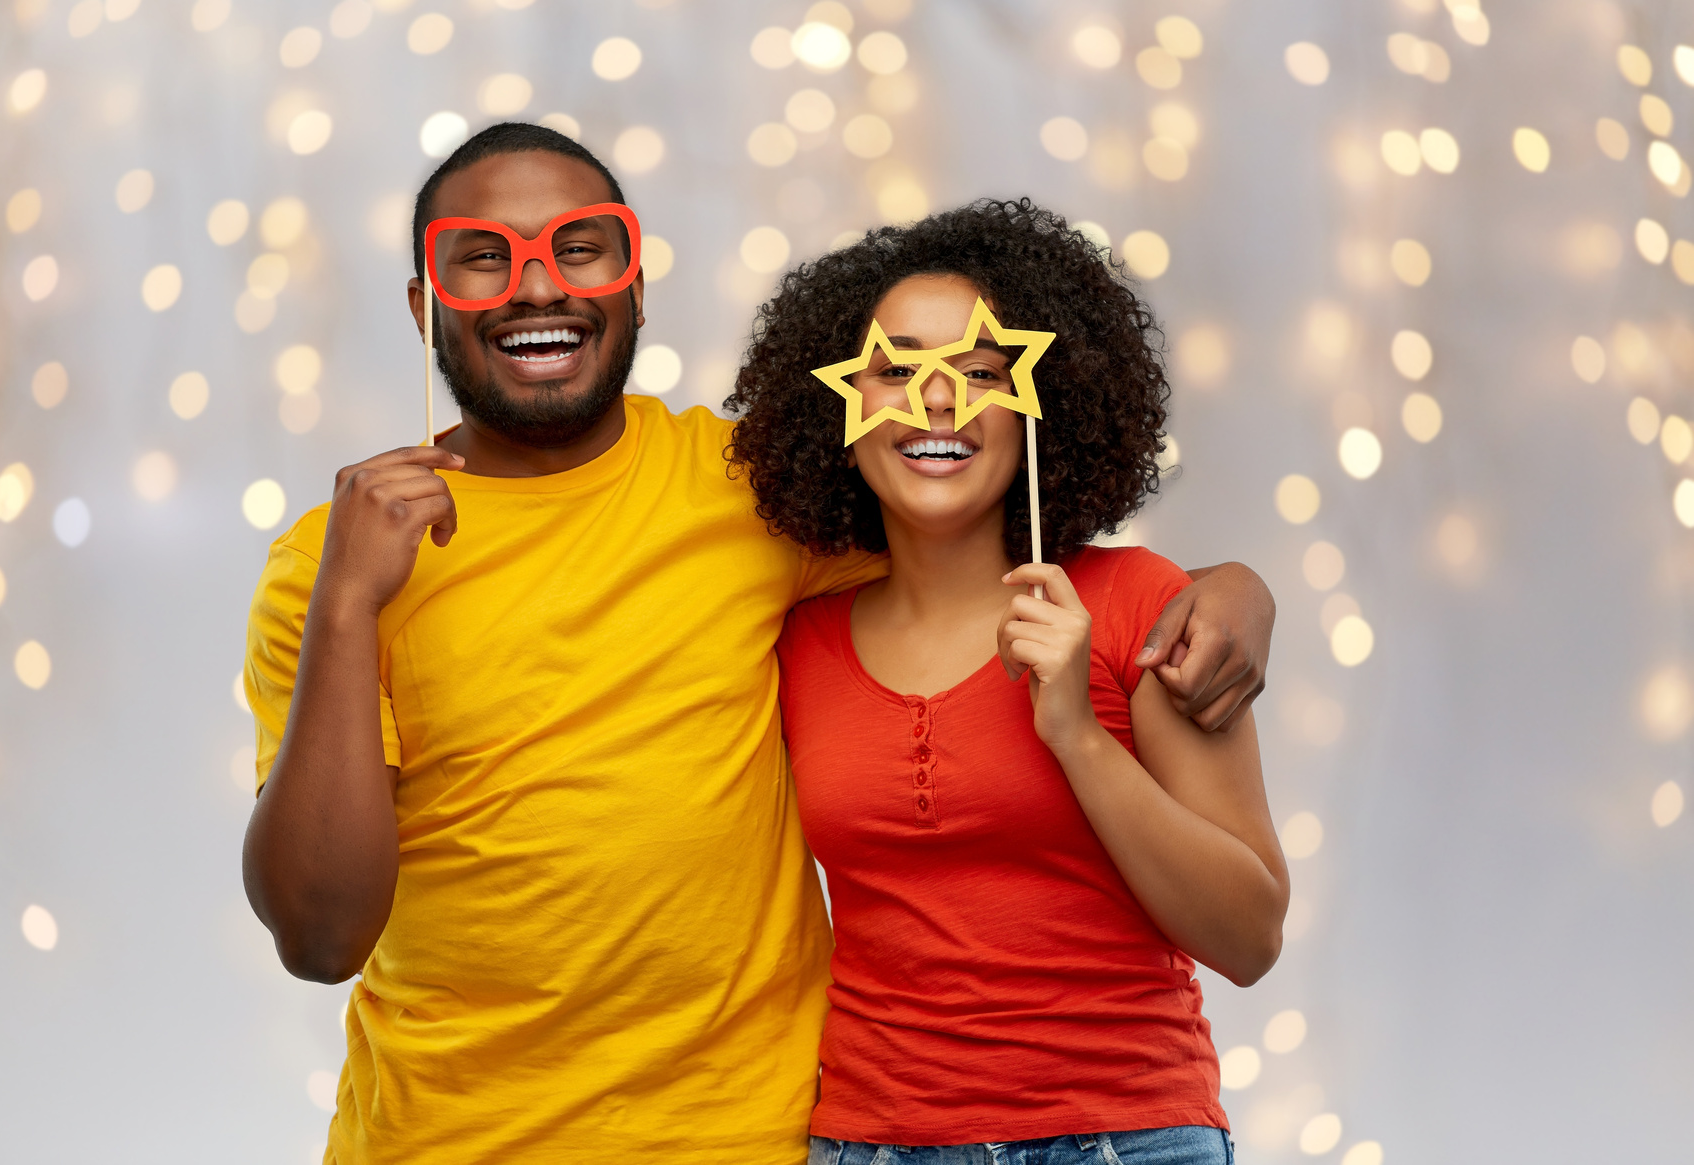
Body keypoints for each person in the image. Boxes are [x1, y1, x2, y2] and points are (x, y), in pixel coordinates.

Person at [240, 124, 1277, 1164]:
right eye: (483, 256)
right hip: (444, 1141)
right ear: (426, 305)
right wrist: (346, 604)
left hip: (753, 1138)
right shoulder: (328, 568)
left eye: (579, 248)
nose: (538, 287)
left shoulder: (749, 497)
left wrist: (1230, 589)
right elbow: (320, 937)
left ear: (636, 286)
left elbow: (956, 530)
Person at [727, 199, 1288, 1165]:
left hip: (1126, 1139)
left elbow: (1249, 937)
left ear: (1038, 407)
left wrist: (1075, 731)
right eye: (895, 370)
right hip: (871, 1144)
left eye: (979, 373)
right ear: (840, 413)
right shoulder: (794, 644)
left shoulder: (1135, 605)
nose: (936, 401)